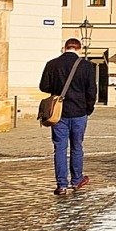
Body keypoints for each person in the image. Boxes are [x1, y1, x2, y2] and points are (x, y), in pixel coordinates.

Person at [39, 38, 96, 197]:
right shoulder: (86, 66)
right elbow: (91, 90)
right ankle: (77, 180)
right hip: (79, 112)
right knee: (77, 146)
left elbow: (44, 86)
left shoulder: (52, 64)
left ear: (64, 48)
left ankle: (61, 185)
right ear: (79, 49)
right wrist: (88, 109)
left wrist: (57, 89)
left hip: (58, 113)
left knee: (60, 148)